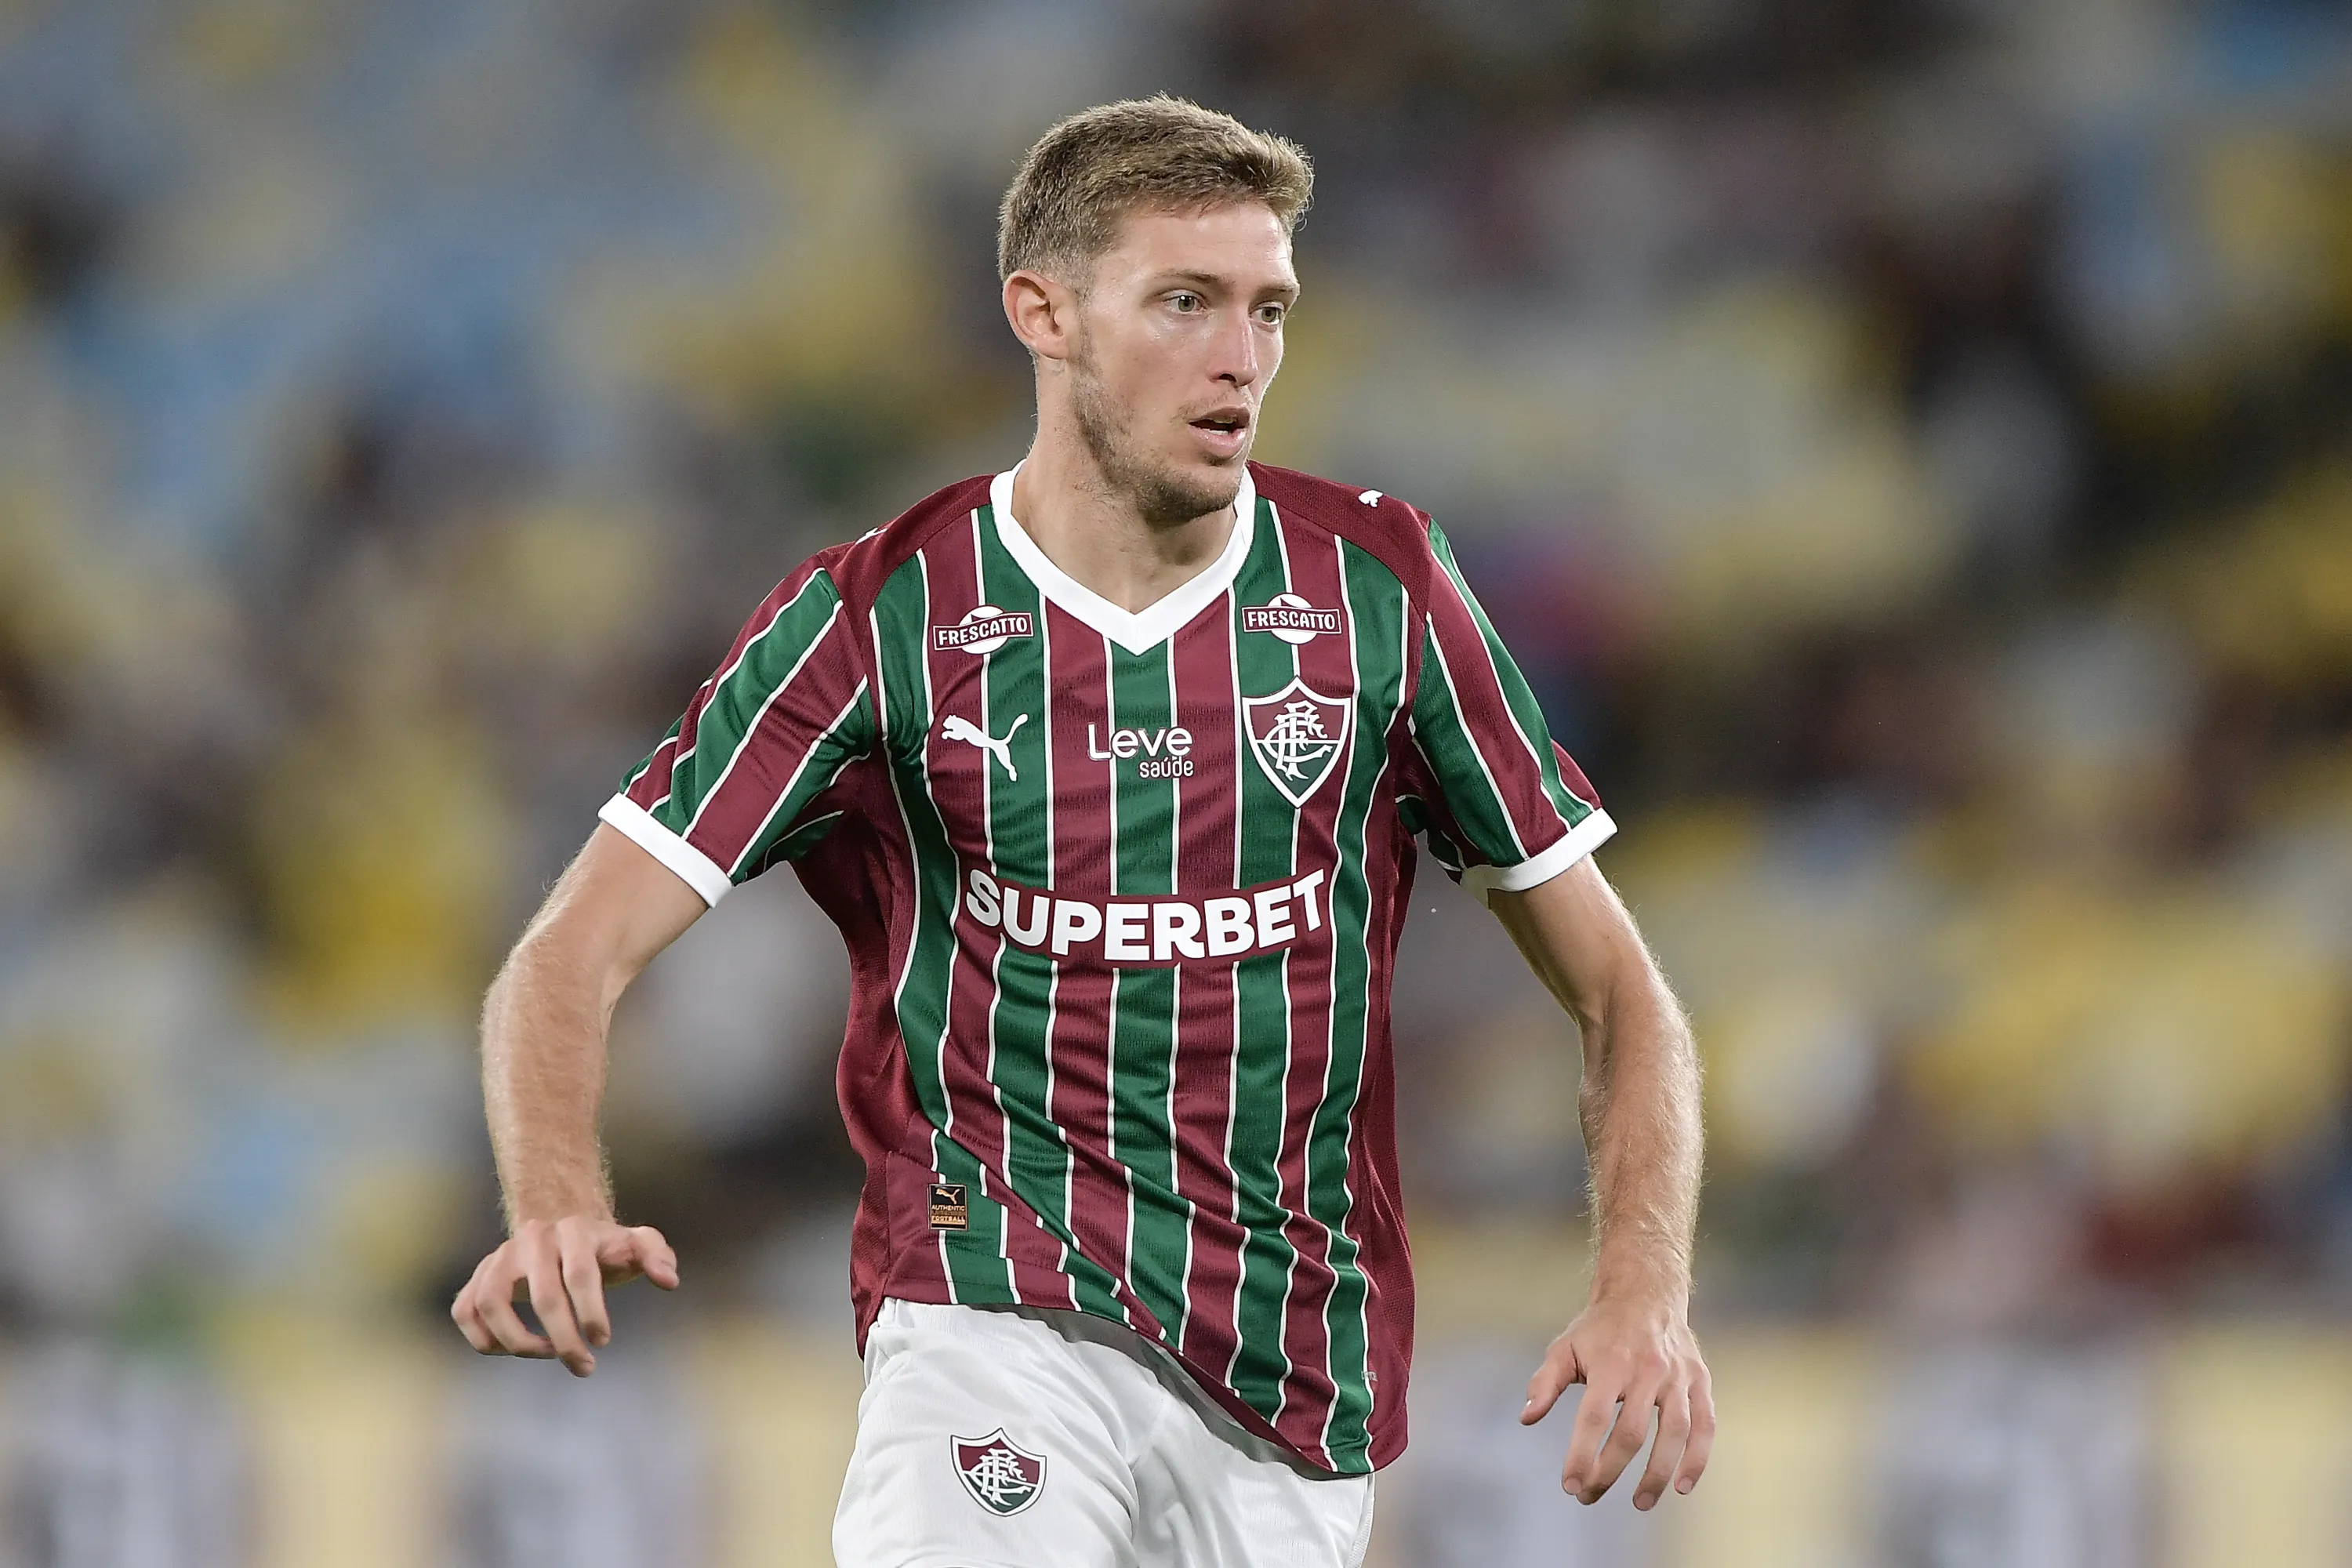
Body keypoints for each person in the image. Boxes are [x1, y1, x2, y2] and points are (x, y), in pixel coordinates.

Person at [451, 95, 1711, 1566]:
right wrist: (554, 1199)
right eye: (1185, 302)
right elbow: (568, 955)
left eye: (1270, 309)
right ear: (1041, 313)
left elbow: (1624, 995)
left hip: (1290, 1376)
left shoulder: (1381, 593)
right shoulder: (882, 614)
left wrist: (1645, 1284)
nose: (1241, 356)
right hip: (989, 1309)